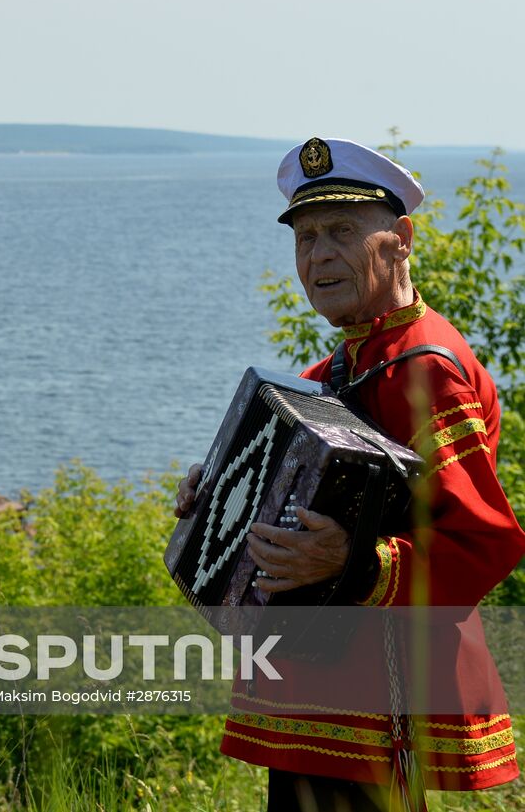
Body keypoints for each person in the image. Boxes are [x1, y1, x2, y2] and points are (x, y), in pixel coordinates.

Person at [174, 138, 525, 811]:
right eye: (304, 238)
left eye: (340, 231)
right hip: (318, 702)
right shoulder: (322, 377)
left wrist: (358, 565)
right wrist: (216, 496)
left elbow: (486, 544)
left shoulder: (429, 370)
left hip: (374, 708)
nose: (317, 255)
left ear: (400, 240)